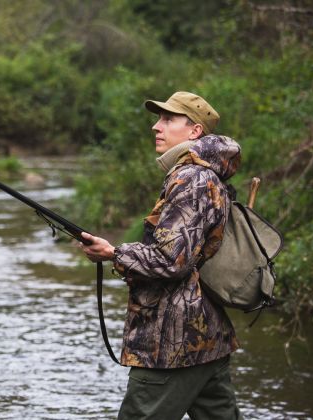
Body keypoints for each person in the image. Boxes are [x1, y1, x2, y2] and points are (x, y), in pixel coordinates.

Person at [80, 91, 243, 419]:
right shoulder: (202, 176)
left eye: (168, 120)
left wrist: (114, 252)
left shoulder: (192, 179)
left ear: (194, 131)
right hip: (205, 337)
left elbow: (171, 260)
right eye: (159, 119)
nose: (157, 126)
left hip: (173, 342)